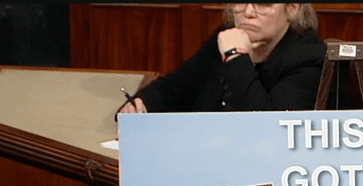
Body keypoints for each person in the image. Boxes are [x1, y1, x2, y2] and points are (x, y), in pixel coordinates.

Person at [118, 3, 327, 114]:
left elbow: (270, 131)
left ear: (292, 8)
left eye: (263, 4)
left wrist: (235, 57)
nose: (248, 12)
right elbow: (176, 87)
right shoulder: (227, 35)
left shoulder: (309, 59)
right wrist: (141, 104)